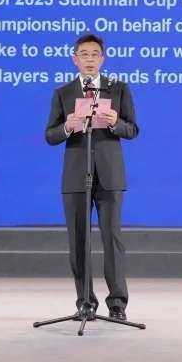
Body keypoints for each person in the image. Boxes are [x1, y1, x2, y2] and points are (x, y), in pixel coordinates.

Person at [44, 33, 139, 319]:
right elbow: (50, 135)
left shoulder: (118, 88)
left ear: (102, 59)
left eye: (94, 54)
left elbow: (133, 129)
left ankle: (117, 304)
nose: (89, 59)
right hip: (76, 176)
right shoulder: (63, 93)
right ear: (75, 60)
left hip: (110, 175)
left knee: (112, 239)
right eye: (83, 54)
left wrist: (116, 123)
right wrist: (68, 127)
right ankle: (85, 302)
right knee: (79, 241)